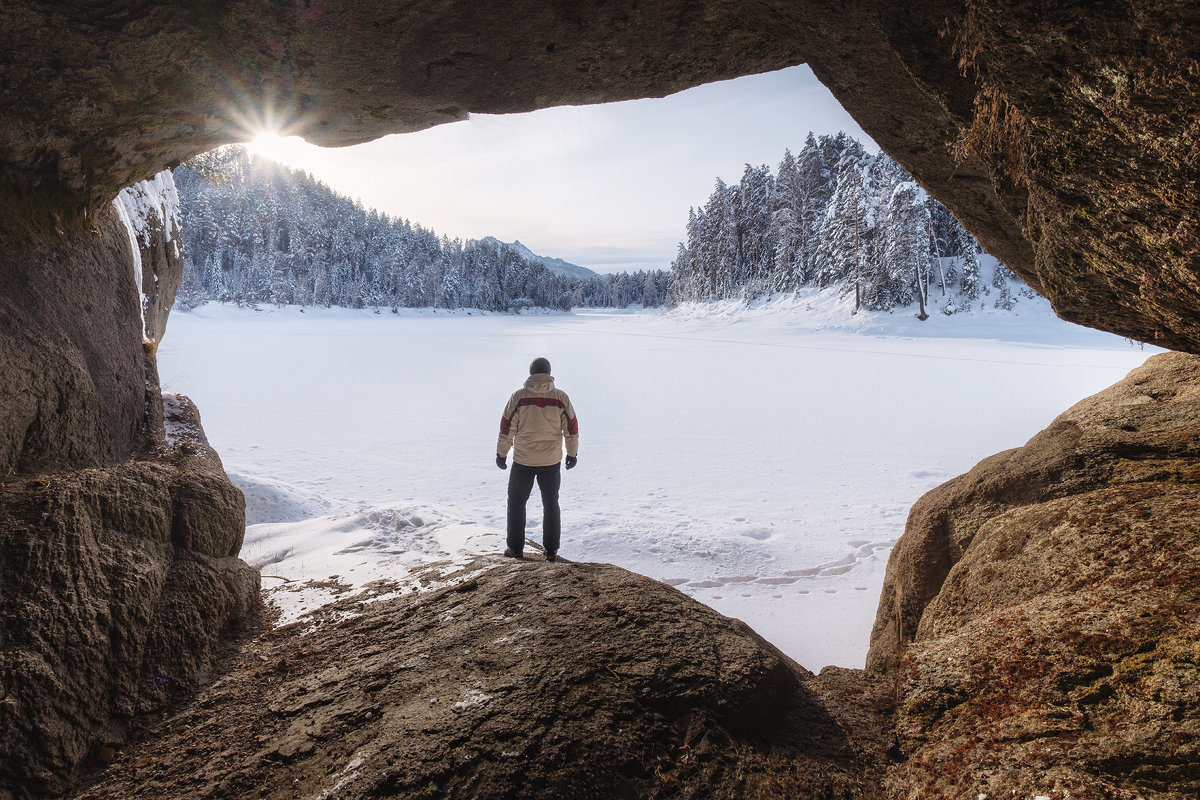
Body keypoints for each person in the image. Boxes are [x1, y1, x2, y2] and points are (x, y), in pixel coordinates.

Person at [496, 357, 579, 562]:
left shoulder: (518, 397)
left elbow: (506, 428)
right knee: (551, 504)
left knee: (516, 503)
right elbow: (572, 429)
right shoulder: (561, 397)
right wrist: (572, 454)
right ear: (549, 373)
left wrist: (501, 454)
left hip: (523, 461)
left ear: (531, 373)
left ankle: (515, 549)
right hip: (551, 461)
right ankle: (551, 551)